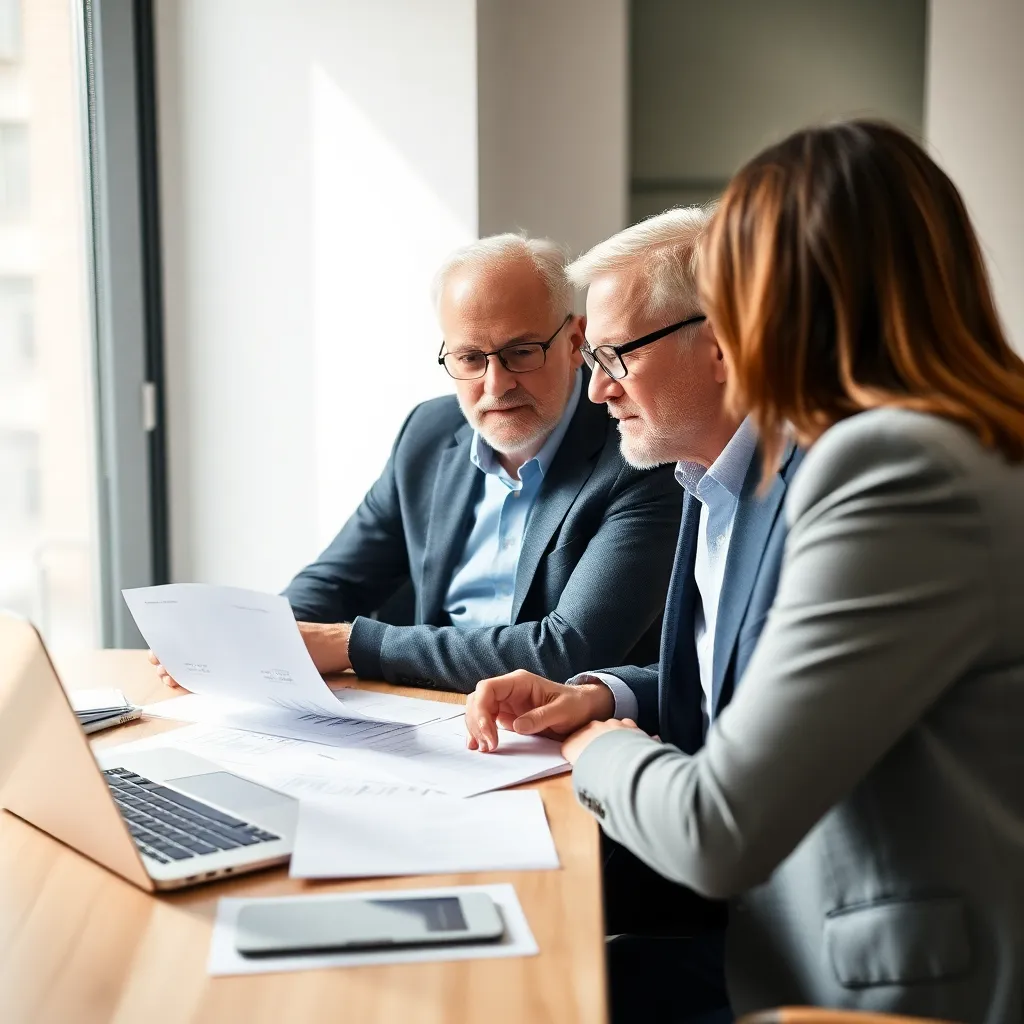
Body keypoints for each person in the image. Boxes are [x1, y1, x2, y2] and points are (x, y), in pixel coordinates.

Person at [559, 120, 1024, 1023]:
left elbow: (715, 831)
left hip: (877, 990)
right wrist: (610, 701)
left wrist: (589, 748)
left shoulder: (896, 466)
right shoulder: (971, 440)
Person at [463, 209, 803, 1017]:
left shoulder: (809, 502)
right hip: (726, 889)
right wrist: (600, 694)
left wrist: (598, 744)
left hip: (789, 933)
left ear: (720, 342)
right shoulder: (702, 480)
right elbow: (735, 680)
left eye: (616, 355)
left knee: (526, 991)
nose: (597, 388)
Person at [153, 234, 682, 696]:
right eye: (471, 358)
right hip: (431, 709)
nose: (496, 386)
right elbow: (338, 580)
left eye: (521, 352)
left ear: (573, 342)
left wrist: (349, 644)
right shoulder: (429, 435)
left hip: (560, 730)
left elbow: (567, 652)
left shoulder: (638, 453)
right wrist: (245, 642)